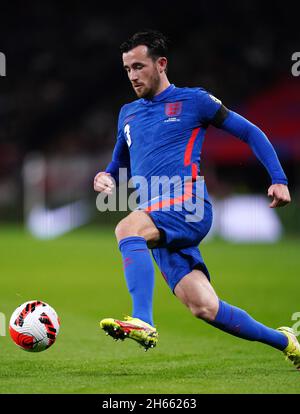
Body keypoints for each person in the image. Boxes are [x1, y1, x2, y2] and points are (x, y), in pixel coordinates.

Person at [94, 30, 300, 369]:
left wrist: (278, 179)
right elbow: (117, 164)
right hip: (158, 217)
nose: (132, 75)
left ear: (161, 64)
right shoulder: (127, 114)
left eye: (139, 66)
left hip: (187, 204)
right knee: (204, 307)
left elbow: (250, 131)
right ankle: (286, 341)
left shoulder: (194, 101)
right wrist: (104, 176)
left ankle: (142, 320)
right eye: (127, 68)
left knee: (126, 228)